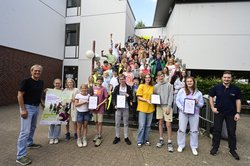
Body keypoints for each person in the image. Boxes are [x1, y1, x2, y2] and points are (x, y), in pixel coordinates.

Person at [209, 71, 241, 160]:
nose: (226, 79)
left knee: (231, 132)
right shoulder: (217, 87)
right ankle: (215, 148)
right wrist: (212, 107)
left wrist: (238, 113)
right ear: (222, 78)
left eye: (228, 77)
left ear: (231, 78)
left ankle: (232, 150)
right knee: (217, 131)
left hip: (231, 113)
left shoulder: (236, 89)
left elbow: (238, 101)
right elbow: (210, 96)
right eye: (225, 77)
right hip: (219, 112)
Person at [16, 64, 44, 165]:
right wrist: (23, 109)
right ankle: (20, 156)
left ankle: (29, 143)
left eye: (39, 71)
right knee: (24, 131)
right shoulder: (26, 81)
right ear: (31, 71)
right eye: (35, 71)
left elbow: (38, 95)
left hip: (36, 107)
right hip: (27, 107)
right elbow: (19, 95)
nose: (37, 72)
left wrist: (42, 104)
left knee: (33, 127)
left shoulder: (41, 82)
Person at [176, 76, 204, 156]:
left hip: (194, 114)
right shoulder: (182, 91)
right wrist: (182, 108)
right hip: (183, 113)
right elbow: (177, 101)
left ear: (193, 82)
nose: (189, 82)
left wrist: (197, 102)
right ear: (186, 82)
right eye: (187, 81)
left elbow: (201, 104)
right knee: (181, 129)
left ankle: (194, 146)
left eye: (191, 81)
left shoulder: (198, 93)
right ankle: (181, 145)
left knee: (194, 130)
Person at [154, 71, 174, 152]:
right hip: (159, 106)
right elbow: (154, 96)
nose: (161, 77)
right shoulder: (155, 86)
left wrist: (169, 107)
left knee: (168, 124)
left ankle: (169, 141)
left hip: (166, 106)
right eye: (159, 76)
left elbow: (171, 96)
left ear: (164, 76)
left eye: (162, 76)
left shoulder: (169, 85)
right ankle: (161, 139)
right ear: (157, 77)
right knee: (160, 123)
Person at [112, 74, 133, 145]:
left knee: (126, 123)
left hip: (126, 107)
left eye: (123, 79)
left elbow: (131, 97)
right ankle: (117, 136)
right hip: (118, 107)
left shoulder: (129, 87)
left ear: (125, 79)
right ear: (119, 80)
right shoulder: (117, 87)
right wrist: (114, 105)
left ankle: (126, 137)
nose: (122, 81)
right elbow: (113, 97)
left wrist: (129, 96)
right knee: (117, 123)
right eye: (120, 79)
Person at [136, 74, 155, 148]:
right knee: (141, 125)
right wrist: (146, 100)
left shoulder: (152, 87)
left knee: (148, 126)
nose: (148, 78)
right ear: (144, 78)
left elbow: (154, 96)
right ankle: (140, 141)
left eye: (149, 77)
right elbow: (139, 97)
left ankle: (146, 139)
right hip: (142, 108)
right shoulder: (141, 86)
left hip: (150, 108)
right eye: (146, 77)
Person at [92, 76, 108, 147]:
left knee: (100, 122)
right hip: (94, 108)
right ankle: (97, 133)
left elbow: (106, 99)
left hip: (100, 108)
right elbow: (91, 97)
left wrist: (99, 105)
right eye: (98, 80)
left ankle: (99, 136)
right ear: (96, 81)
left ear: (102, 81)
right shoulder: (93, 88)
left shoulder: (104, 88)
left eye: (100, 81)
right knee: (96, 122)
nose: (99, 82)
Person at [48, 78, 62, 145]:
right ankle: (51, 137)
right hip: (52, 109)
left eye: (58, 83)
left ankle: (56, 137)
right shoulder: (50, 91)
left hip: (60, 109)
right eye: (56, 83)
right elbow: (48, 101)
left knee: (58, 124)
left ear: (60, 84)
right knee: (51, 124)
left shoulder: (63, 91)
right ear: (54, 84)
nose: (57, 84)